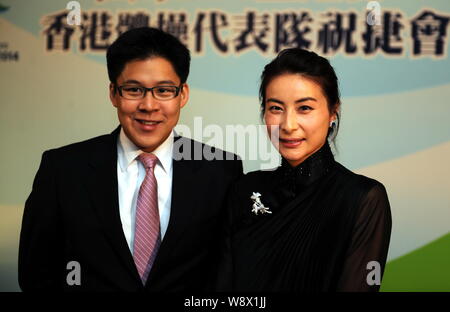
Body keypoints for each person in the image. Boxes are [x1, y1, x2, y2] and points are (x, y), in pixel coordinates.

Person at [18, 27, 242, 291]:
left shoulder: (221, 171)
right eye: (134, 90)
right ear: (113, 93)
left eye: (164, 90)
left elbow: (227, 275)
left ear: (183, 94)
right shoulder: (63, 169)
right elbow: (37, 274)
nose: (149, 105)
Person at [218, 48, 392, 292]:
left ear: (333, 111)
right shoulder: (245, 189)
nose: (288, 125)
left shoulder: (363, 197)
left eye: (305, 108)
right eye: (276, 108)